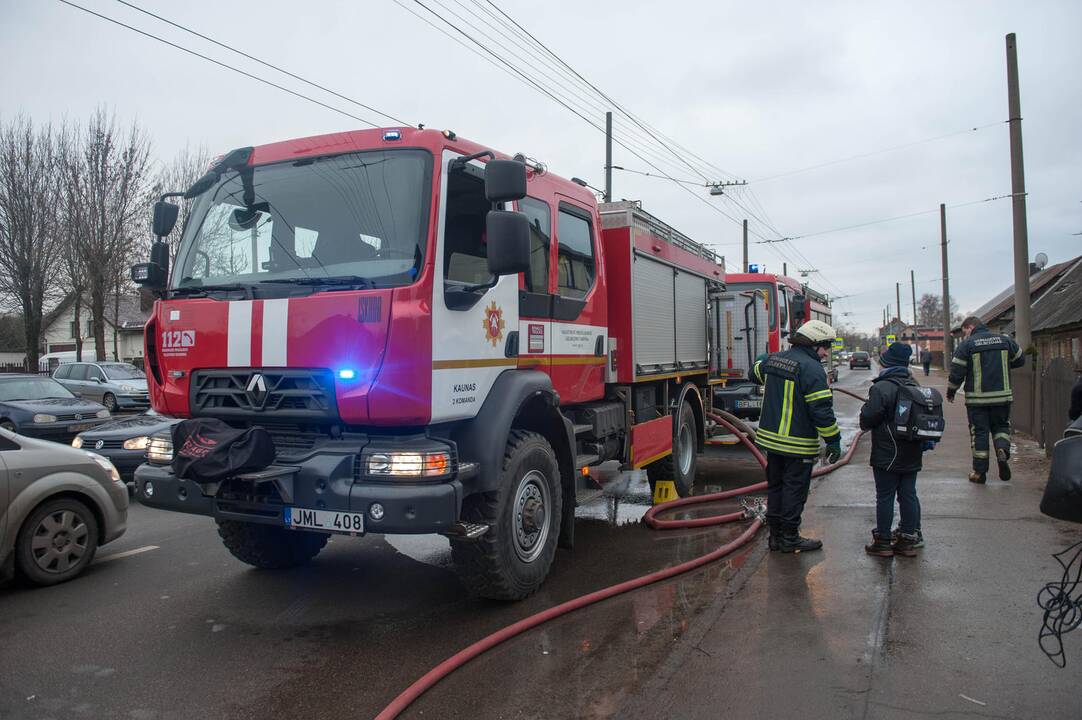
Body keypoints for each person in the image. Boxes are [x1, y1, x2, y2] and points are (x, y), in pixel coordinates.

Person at [751, 319, 842, 553]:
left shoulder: (775, 360)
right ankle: (790, 538)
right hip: (797, 443)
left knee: (776, 488)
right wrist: (833, 440)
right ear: (812, 344)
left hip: (771, 442)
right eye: (824, 346)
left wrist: (762, 359)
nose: (825, 352)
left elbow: (754, 373)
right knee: (794, 490)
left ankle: (775, 537)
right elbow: (821, 411)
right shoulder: (812, 369)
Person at [859, 343, 932, 557]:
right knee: (908, 494)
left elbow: (868, 419)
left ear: (887, 363)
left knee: (885, 496)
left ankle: (882, 542)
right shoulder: (915, 385)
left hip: (886, 452)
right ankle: (907, 541)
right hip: (912, 451)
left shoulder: (882, 387)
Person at [947, 316, 1025, 483]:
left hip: (978, 400)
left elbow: (957, 371)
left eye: (965, 331)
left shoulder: (967, 345)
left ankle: (979, 472)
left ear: (970, 327)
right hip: (1002, 397)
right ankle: (1002, 450)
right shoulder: (1005, 340)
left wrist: (951, 391)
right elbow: (1020, 359)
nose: (965, 335)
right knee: (1001, 427)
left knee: (979, 432)